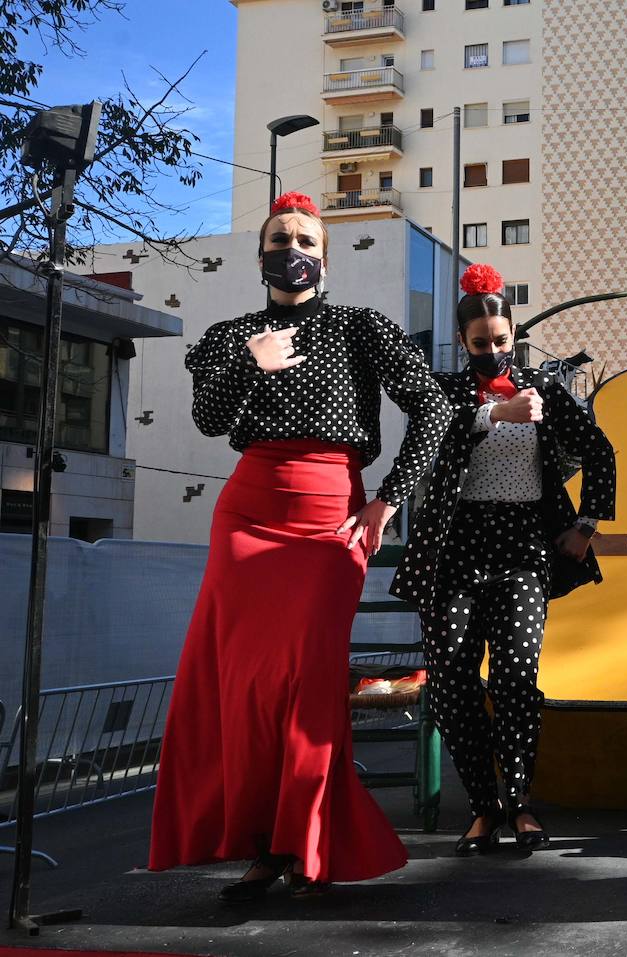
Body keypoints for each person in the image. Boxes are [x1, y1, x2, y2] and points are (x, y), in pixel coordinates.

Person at [149, 192, 452, 901]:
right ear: (261, 256)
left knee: (307, 681)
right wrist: (253, 365)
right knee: (244, 687)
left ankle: (307, 840)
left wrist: (387, 498)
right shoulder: (232, 335)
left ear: (324, 257)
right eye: (281, 237)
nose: (294, 248)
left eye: (307, 240)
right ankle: (264, 844)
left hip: (327, 515)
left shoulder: (360, 328)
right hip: (247, 512)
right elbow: (207, 419)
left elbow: (433, 408)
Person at [390, 264, 615, 855]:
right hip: (456, 543)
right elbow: (436, 442)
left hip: (522, 545)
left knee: (517, 675)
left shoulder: (541, 389)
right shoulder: (443, 392)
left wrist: (585, 524)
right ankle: (483, 809)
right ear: (462, 342)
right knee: (454, 682)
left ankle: (519, 804)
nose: (492, 351)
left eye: (501, 341)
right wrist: (493, 415)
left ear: (514, 337)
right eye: (480, 343)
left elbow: (601, 449)